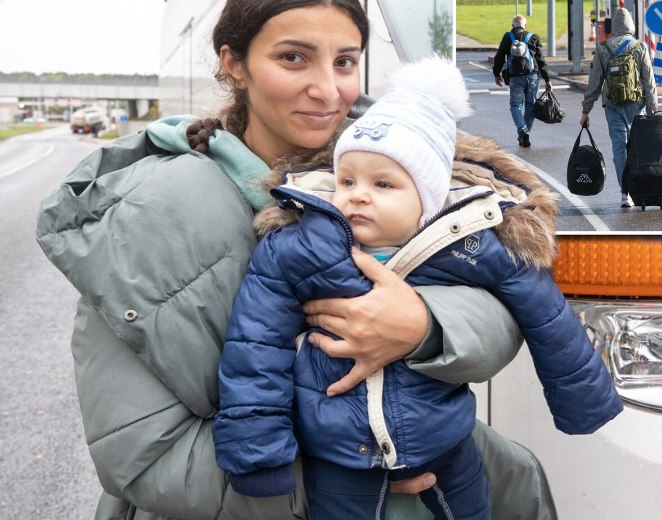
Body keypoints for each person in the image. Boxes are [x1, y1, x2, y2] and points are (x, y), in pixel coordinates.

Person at [36, 0, 560, 520]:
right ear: (234, 64)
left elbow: (508, 301)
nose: (327, 89)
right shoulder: (139, 216)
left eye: (345, 62)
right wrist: (338, 479)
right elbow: (138, 452)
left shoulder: (406, 165)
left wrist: (424, 327)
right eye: (293, 58)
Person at [214, 57, 621, 519]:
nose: (357, 194)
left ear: (426, 198)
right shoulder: (299, 246)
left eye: (383, 183)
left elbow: (547, 317)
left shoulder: (468, 242)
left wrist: (584, 401)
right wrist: (260, 458)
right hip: (338, 453)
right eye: (347, 179)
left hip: (444, 439)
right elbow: (255, 350)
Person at [579, 7, 658, 208]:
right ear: (631, 26)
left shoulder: (603, 48)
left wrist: (586, 111)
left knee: (619, 147)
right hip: (636, 104)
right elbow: (649, 81)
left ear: (614, 26)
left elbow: (594, 83)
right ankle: (640, 187)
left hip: (612, 105)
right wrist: (653, 110)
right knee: (636, 147)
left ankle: (625, 193)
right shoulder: (640, 47)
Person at [492, 14, 551, 148]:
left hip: (515, 77)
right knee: (530, 106)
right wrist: (547, 79)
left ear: (512, 26)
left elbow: (499, 57)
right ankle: (525, 133)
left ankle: (522, 129)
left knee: (515, 105)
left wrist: (496, 73)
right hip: (532, 77)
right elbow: (541, 60)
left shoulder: (508, 37)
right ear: (525, 26)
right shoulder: (534, 37)